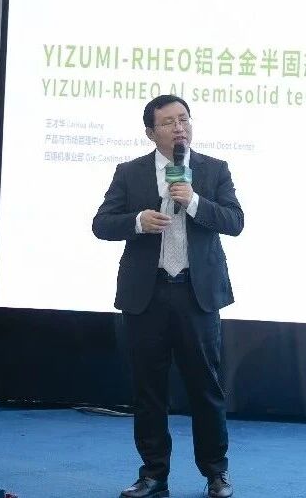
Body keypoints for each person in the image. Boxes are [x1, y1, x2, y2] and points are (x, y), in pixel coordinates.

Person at [93, 95, 244, 498]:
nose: (179, 127)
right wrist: (137, 221)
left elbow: (235, 221)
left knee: (206, 389)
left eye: (184, 119)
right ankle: (153, 475)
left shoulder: (213, 169)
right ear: (150, 132)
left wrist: (193, 201)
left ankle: (216, 473)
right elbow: (102, 224)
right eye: (169, 122)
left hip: (196, 294)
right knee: (149, 391)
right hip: (148, 295)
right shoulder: (130, 173)